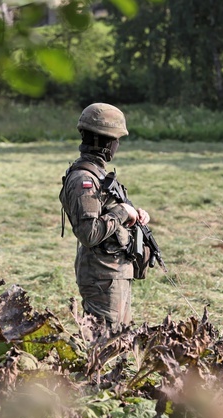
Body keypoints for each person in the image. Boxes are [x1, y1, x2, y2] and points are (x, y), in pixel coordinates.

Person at [59, 103, 151, 328]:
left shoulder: (98, 175)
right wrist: (122, 211)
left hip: (113, 272)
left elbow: (105, 212)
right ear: (105, 141)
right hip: (102, 276)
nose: (117, 145)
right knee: (104, 344)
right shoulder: (84, 180)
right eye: (116, 140)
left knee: (120, 339)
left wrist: (133, 214)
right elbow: (89, 233)